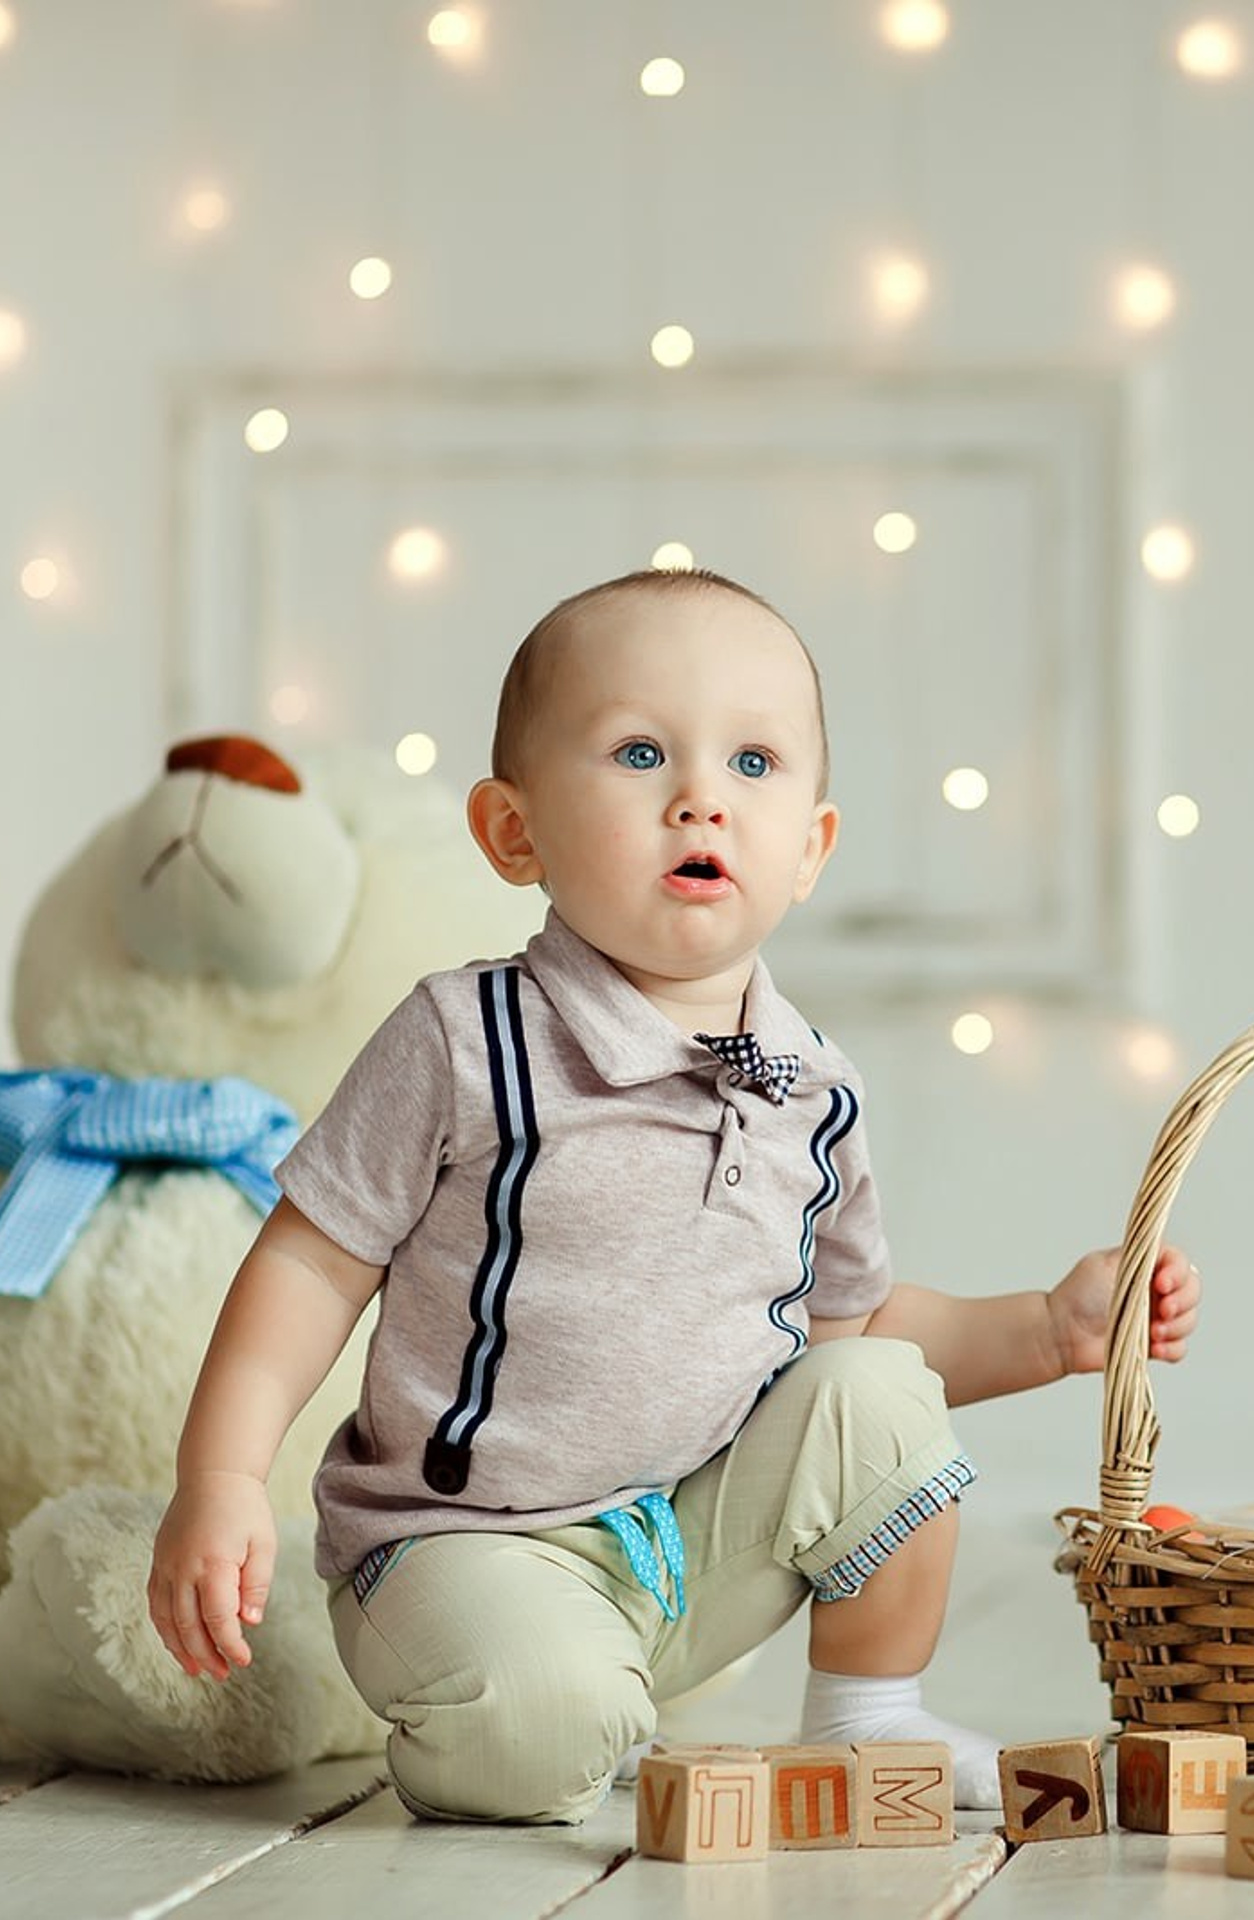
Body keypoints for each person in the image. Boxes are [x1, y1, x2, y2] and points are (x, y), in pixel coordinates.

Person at [147, 566, 1199, 1824]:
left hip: (684, 1553)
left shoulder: (812, 1085)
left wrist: (1047, 1330)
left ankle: (867, 1718)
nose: (702, 796)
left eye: (754, 763)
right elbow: (309, 1266)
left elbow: (846, 1335)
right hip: (462, 1549)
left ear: (810, 848)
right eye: (640, 752)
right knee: (544, 1735)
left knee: (881, 1395)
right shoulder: (468, 1038)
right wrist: (218, 1477)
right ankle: (522, 1707)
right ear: (513, 831)